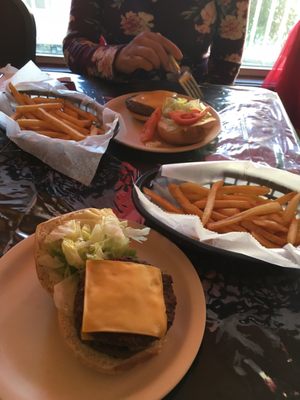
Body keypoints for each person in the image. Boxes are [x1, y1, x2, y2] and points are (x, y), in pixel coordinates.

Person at [63, 0, 249, 85]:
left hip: (193, 102)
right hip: (113, 105)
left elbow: (226, 65)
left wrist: (198, 111)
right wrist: (116, 57)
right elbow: (73, 46)